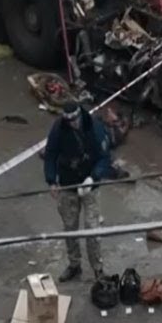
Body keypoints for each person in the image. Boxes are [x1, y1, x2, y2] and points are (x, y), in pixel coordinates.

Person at [43, 101, 111, 282]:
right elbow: (50, 154)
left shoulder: (94, 127)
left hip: (90, 184)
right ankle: (74, 264)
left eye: (75, 120)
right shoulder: (59, 128)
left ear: (80, 115)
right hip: (68, 184)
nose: (72, 123)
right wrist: (51, 180)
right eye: (69, 120)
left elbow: (105, 158)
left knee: (92, 229)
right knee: (70, 228)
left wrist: (94, 178)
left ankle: (98, 268)